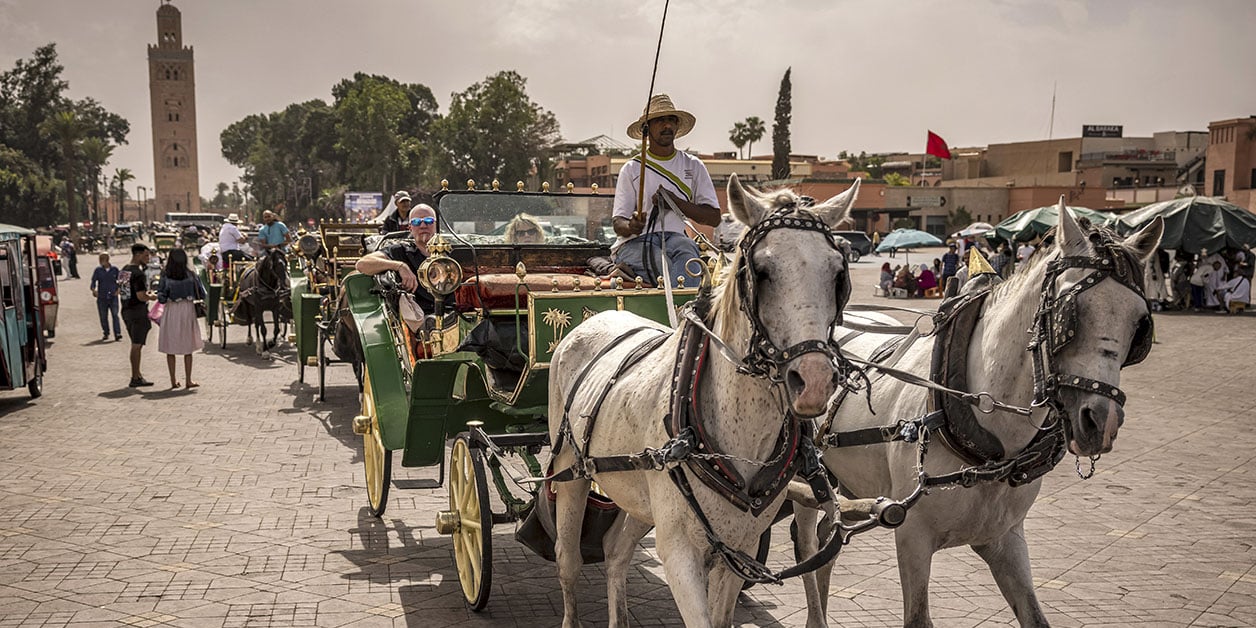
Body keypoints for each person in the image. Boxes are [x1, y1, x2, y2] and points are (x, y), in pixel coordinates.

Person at [611, 94, 720, 287]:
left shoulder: (693, 165)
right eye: (660, 120)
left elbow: (713, 217)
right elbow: (618, 223)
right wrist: (632, 226)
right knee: (663, 265)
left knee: (688, 255)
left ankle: (682, 302)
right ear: (647, 129)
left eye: (671, 120)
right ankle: (682, 302)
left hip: (677, 238)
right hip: (636, 242)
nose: (667, 125)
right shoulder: (632, 168)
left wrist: (675, 202)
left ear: (677, 126)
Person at [355, 203, 445, 316]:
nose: (423, 225)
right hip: (416, 316)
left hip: (454, 313)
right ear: (410, 228)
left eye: (429, 221)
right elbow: (362, 264)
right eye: (416, 222)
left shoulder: (451, 251)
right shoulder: (400, 251)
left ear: (436, 225)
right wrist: (400, 266)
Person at [156, 248, 205, 389]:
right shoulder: (191, 274)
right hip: (187, 309)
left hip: (171, 310)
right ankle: (188, 380)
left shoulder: (165, 274)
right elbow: (202, 293)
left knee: (170, 346)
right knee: (188, 346)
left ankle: (173, 380)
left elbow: (161, 297)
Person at [118, 243, 156, 387]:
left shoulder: (124, 270)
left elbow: (122, 292)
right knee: (137, 345)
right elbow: (141, 296)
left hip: (126, 309)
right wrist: (151, 296)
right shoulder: (138, 274)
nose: (148, 258)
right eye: (146, 255)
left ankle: (137, 374)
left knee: (135, 343)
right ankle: (135, 377)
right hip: (137, 311)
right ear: (138, 255)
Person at [90, 252, 122, 341]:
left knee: (115, 315)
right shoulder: (98, 270)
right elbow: (93, 281)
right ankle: (106, 332)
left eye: (102, 259)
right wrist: (93, 290)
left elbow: (121, 281)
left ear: (107, 259)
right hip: (102, 297)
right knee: (103, 316)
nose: (101, 261)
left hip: (113, 296)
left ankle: (117, 333)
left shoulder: (115, 269)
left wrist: (119, 289)